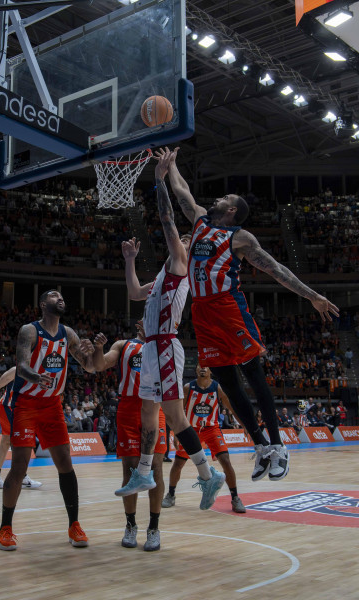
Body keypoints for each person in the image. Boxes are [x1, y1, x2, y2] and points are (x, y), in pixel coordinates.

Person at [163, 147, 338, 482]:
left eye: (226, 197)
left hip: (229, 310)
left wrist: (312, 295)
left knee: (255, 379)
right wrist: (171, 167)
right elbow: (183, 192)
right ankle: (260, 447)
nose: (218, 198)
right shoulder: (199, 221)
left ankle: (279, 446)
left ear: (231, 210)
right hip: (202, 314)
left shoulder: (239, 237)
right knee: (228, 385)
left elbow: (275, 269)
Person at [112, 150, 227, 516]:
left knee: (175, 419)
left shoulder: (181, 260)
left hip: (163, 345)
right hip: (152, 347)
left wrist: (159, 180)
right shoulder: (165, 273)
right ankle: (146, 473)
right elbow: (133, 293)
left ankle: (207, 475)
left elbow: (165, 218)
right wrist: (130, 262)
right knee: (151, 413)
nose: (186, 238)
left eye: (190, 236)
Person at [0, 290, 103, 551]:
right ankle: (5, 528)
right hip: (27, 404)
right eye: (55, 296)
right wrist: (36, 377)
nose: (61, 298)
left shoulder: (69, 334)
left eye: (62, 296)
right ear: (43, 304)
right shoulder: (29, 331)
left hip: (53, 405)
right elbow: (21, 366)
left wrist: (97, 350)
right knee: (19, 467)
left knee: (65, 463)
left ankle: (74, 525)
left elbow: (91, 366)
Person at [98, 320, 167, 551]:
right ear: (139, 324)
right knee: (130, 469)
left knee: (156, 467)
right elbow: (101, 364)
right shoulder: (123, 345)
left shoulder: (163, 346)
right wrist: (98, 349)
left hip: (155, 407)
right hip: (128, 407)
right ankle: (130, 525)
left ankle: (154, 528)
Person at [164, 365, 246, 514]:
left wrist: (244, 425)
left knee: (226, 461)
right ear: (196, 370)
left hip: (211, 429)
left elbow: (231, 408)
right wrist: (177, 433)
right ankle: (171, 494)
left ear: (211, 371)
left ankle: (235, 498)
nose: (203, 368)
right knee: (178, 463)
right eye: (199, 366)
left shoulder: (217, 388)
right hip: (191, 429)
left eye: (206, 366)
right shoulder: (189, 387)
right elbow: (178, 412)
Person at [0, 367, 41, 490]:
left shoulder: (37, 371)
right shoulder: (17, 370)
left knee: (6, 442)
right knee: (21, 443)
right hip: (9, 408)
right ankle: (22, 477)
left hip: (20, 410)